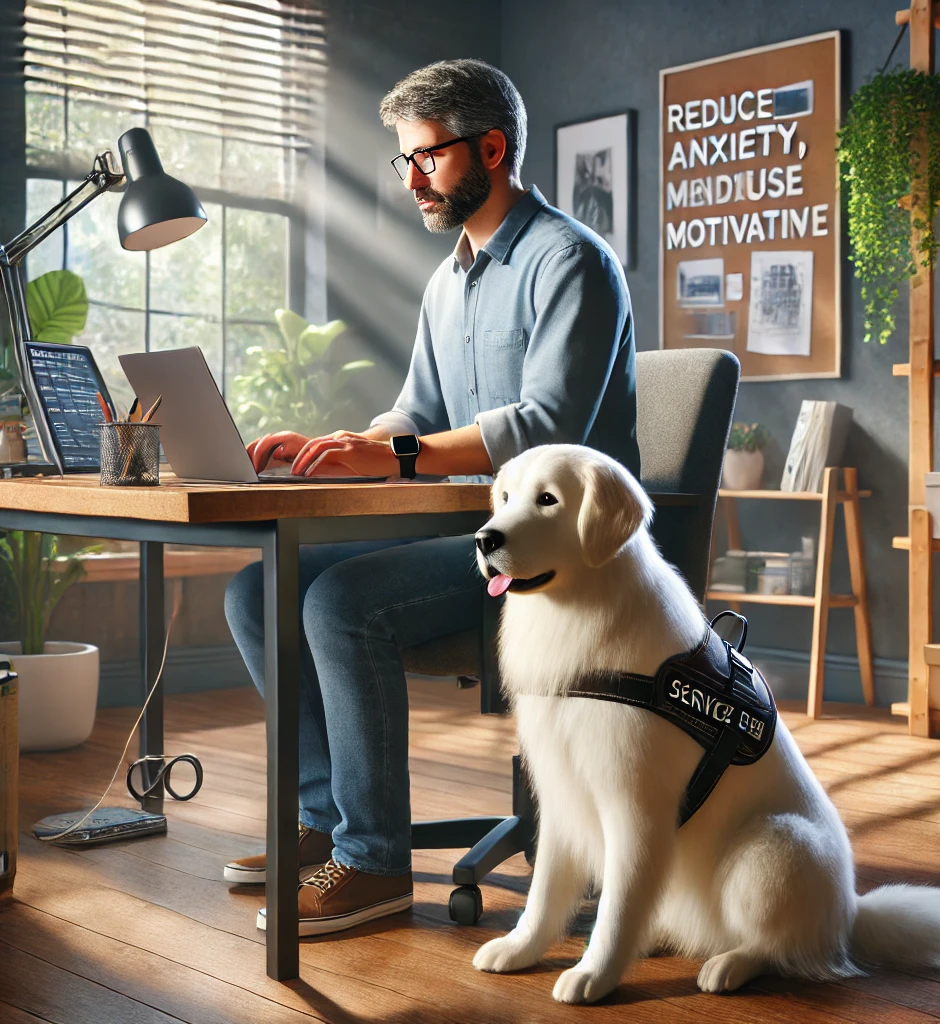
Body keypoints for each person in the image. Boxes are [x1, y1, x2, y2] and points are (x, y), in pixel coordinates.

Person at [223, 57, 641, 937]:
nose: (410, 179)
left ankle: (373, 867)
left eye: (428, 157)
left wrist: (394, 454)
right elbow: (417, 412)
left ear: (491, 146)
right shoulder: (448, 280)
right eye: (403, 160)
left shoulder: (572, 261)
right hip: (482, 539)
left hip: (560, 559)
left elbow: (541, 426)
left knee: (339, 601)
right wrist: (341, 446)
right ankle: (323, 827)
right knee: (256, 589)